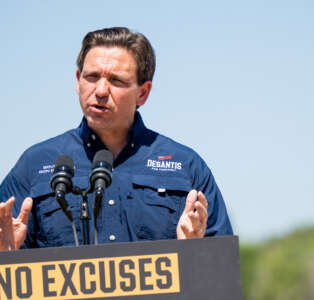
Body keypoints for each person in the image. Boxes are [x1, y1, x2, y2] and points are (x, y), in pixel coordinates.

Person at [0, 27, 233, 250]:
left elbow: (221, 272)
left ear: (143, 92)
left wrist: (193, 252)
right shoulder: (35, 164)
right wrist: (5, 253)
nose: (100, 91)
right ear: (78, 80)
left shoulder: (186, 166)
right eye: (91, 77)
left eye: (116, 81)